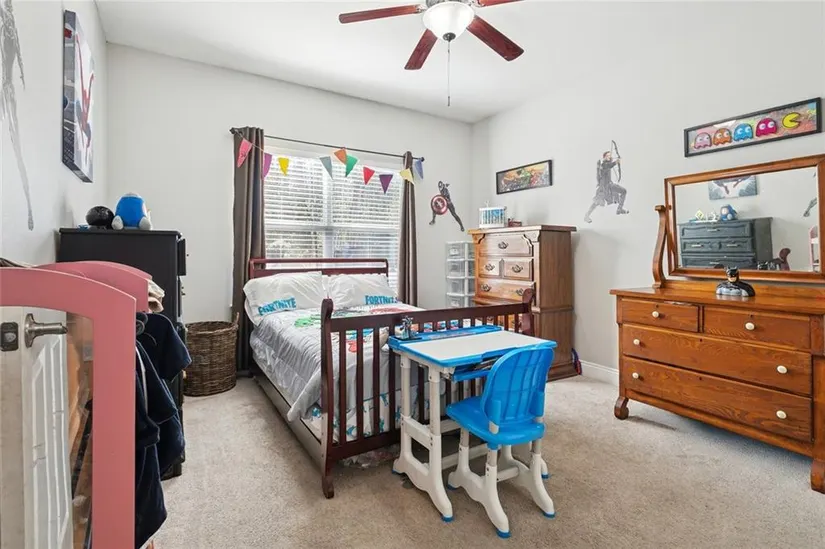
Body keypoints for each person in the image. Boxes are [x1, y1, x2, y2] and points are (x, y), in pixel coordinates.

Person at [584, 150, 628, 224]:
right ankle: (586, 216)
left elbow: (610, 164)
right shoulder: (603, 164)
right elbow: (608, 165)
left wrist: (614, 161)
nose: (609, 157)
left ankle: (619, 209)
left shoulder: (608, 163)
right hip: (603, 188)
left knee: (624, 191)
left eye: (610, 155)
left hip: (609, 185)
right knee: (596, 202)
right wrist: (616, 162)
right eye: (608, 156)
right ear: (604, 157)